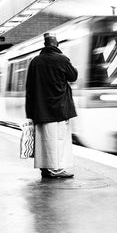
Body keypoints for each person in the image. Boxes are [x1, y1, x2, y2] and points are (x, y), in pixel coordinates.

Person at [25, 32, 78, 178]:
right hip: (59, 109)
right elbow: (73, 76)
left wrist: (29, 113)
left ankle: (45, 168)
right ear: (57, 44)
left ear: (45, 45)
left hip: (40, 110)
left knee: (43, 141)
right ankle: (56, 170)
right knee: (58, 140)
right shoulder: (62, 59)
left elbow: (29, 88)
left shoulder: (35, 61)